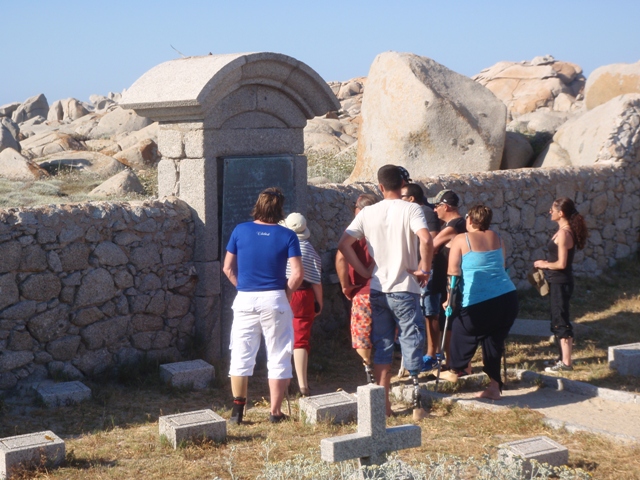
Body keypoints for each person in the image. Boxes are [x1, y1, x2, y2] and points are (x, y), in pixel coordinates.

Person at [338, 165, 433, 419]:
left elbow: (343, 244)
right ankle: (417, 402)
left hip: (378, 288)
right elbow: (425, 239)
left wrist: (363, 271)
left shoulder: (368, 212)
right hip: (405, 286)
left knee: (382, 345)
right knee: (411, 339)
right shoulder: (412, 208)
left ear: (380, 187)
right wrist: (424, 268)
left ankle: (384, 406)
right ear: (403, 185)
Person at [222, 187, 304, 424]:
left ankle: (237, 412)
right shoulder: (287, 235)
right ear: (280, 209)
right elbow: (297, 274)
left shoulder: (240, 230)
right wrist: (285, 294)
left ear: (258, 205)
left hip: (245, 298)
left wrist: (243, 287)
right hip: (274, 298)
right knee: (278, 354)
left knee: (240, 353)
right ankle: (275, 412)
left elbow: (228, 268)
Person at [440, 205, 518, 400]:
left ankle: (456, 368)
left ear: (470, 220)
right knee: (493, 341)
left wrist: (449, 299)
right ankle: (493, 387)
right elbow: (503, 266)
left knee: (462, 328)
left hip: (479, 301)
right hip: (507, 298)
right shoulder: (498, 238)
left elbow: (453, 272)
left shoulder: (460, 239)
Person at [534, 197, 588, 373]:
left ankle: (566, 363)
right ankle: (561, 359)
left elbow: (562, 264)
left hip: (561, 281)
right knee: (556, 318)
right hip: (556, 281)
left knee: (561, 320)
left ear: (561, 213)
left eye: (553, 209)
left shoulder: (565, 234)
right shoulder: (563, 231)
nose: (550, 212)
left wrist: (543, 264)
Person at [335, 193, 380, 384]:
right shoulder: (383, 227)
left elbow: (340, 257)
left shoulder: (354, 230)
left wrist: (345, 285)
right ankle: (383, 367)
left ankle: (368, 366)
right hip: (385, 287)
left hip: (362, 289)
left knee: (362, 331)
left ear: (359, 210)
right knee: (384, 331)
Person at [400, 183, 441, 372]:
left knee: (430, 313)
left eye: (403, 196)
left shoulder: (426, 213)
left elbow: (430, 241)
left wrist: (423, 268)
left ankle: (433, 354)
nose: (400, 199)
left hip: (426, 271)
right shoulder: (410, 212)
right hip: (415, 270)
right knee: (423, 312)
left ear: (411, 198)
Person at [281, 212, 323, 397]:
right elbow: (316, 281)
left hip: (282, 293)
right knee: (300, 340)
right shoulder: (309, 250)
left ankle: (284, 382)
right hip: (303, 295)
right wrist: (319, 302)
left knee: (281, 338)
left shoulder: (280, 247)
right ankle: (303, 385)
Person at [428, 189, 466, 367]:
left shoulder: (455, 226)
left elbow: (432, 246)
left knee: (449, 322)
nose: (434, 210)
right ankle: (452, 361)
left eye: (436, 206)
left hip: (451, 280)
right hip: (448, 280)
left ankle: (452, 363)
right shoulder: (457, 224)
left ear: (446, 206)